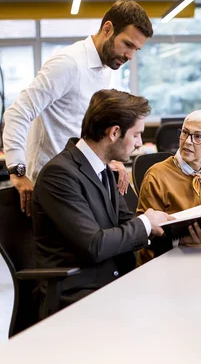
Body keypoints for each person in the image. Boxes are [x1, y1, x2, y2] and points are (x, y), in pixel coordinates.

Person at [3, 0, 153, 216]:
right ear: (108, 29)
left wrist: (108, 160)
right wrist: (17, 171)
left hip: (80, 174)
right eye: (128, 44)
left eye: (136, 49)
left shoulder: (106, 68)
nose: (130, 56)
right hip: (51, 180)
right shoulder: (68, 64)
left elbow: (87, 127)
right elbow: (18, 112)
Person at [32, 89, 172, 313]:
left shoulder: (102, 168)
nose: (139, 143)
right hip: (78, 292)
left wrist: (180, 231)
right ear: (115, 132)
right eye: (136, 135)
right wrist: (146, 222)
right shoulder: (59, 174)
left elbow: (127, 222)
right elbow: (94, 245)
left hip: (112, 281)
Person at [136, 110, 201, 260]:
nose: (188, 141)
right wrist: (181, 240)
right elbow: (144, 235)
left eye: (198, 136)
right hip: (162, 259)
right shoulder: (156, 175)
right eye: (185, 133)